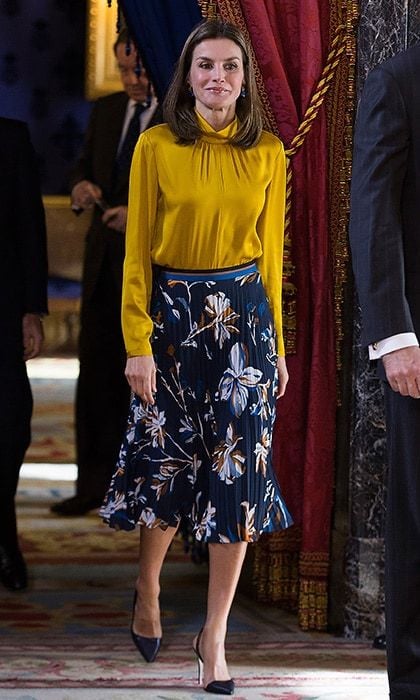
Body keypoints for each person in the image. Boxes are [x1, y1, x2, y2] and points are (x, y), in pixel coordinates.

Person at [100, 19, 293, 695]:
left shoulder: (269, 151)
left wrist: (279, 350)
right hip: (173, 322)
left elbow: (272, 258)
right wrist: (136, 343)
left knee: (236, 486)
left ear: (245, 79)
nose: (218, 78)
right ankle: (147, 586)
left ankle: (213, 638)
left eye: (231, 67)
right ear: (189, 76)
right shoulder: (156, 145)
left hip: (245, 330)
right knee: (164, 470)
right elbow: (136, 256)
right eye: (206, 66)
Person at [51, 29, 161, 517]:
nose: (131, 79)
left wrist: (134, 217)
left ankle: (138, 491)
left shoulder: (178, 120)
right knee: (93, 380)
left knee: (140, 387)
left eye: (138, 69)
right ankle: (90, 486)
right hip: (101, 272)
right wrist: (80, 190)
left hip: (152, 277)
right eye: (123, 69)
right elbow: (79, 168)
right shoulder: (107, 110)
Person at [349, 44, 420, 699]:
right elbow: (373, 214)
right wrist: (395, 335)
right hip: (419, 347)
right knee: (419, 518)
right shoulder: (398, 78)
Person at [0, 117, 48, 590]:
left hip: (3, 310)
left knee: (11, 428)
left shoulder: (11, 137)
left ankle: (5, 536)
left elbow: (29, 226)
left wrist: (33, 310)